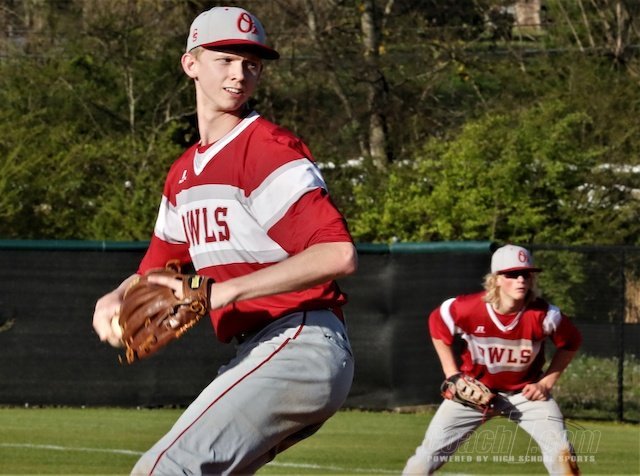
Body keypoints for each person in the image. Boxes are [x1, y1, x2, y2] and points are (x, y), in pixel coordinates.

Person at [92, 6, 356, 474]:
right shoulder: (183, 174)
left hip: (300, 340)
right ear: (190, 64)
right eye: (226, 60)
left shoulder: (267, 149)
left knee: (162, 470)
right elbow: (157, 269)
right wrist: (116, 296)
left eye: (251, 64)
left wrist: (224, 291)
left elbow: (337, 253)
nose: (240, 74)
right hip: (261, 349)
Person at [403, 244, 582, 475]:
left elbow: (571, 342)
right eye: (512, 274)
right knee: (425, 459)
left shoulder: (545, 315)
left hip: (526, 394)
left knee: (563, 454)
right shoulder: (468, 308)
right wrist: (452, 374)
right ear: (496, 279)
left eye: (526, 274)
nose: (521, 280)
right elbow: (437, 323)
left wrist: (546, 382)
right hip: (474, 393)